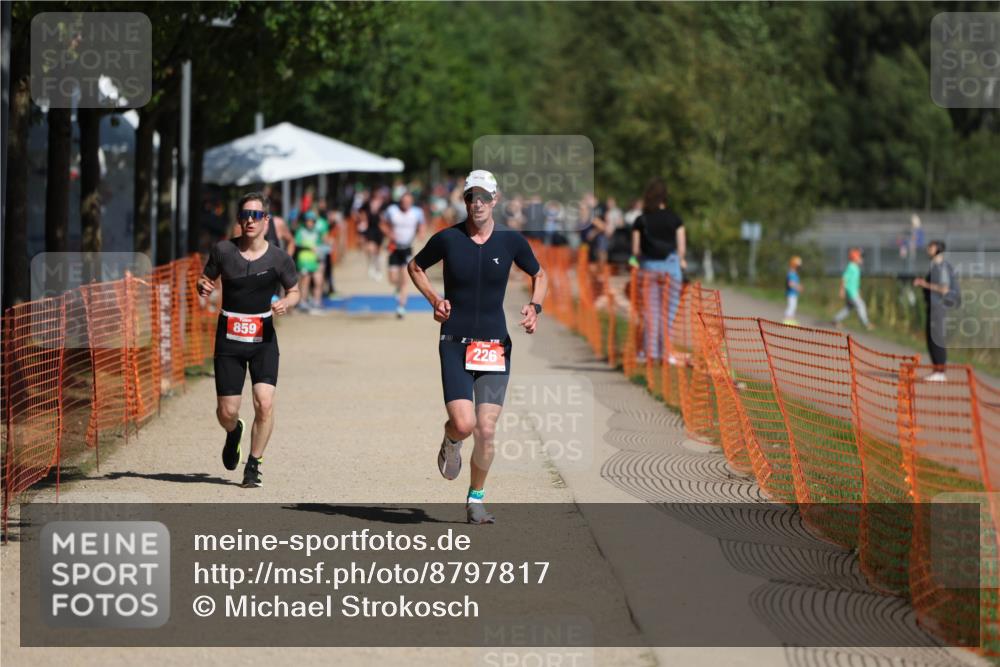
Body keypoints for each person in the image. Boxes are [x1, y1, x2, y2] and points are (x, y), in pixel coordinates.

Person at [407, 169, 548, 525]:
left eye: (484, 197)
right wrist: (434, 300)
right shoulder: (448, 239)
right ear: (465, 201)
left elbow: (539, 275)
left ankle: (476, 498)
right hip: (454, 343)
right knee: (464, 424)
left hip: (494, 345)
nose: (478, 203)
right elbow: (415, 266)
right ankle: (451, 439)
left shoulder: (511, 241)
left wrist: (535, 306)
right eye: (472, 197)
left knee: (486, 429)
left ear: (495, 200)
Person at [197, 192, 300, 488]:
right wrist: (202, 286)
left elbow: (294, 291)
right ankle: (234, 432)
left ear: (266, 220)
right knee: (227, 412)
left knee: (264, 403)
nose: (250, 221)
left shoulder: (279, 258)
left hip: (263, 339)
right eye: (245, 215)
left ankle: (254, 464)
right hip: (229, 339)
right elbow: (205, 279)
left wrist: (287, 302)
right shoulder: (223, 251)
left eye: (256, 215)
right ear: (239, 220)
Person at [630, 178, 686, 364]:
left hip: (649, 268)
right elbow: (681, 250)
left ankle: (650, 353)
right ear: (665, 197)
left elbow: (636, 250)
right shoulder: (675, 219)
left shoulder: (641, 220)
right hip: (671, 268)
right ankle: (666, 353)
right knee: (668, 314)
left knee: (650, 314)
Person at [913, 240, 958, 382]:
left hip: (938, 307)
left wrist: (924, 284)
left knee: (936, 338)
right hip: (933, 306)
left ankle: (940, 372)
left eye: (931, 247)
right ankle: (937, 370)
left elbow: (944, 289)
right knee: (931, 337)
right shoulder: (935, 266)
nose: (928, 249)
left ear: (938, 249)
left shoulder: (942, 267)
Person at [382, 192, 426, 318]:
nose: (405, 204)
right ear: (400, 202)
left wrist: (421, 232)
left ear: (411, 202)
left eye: (408, 202)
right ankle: (397, 286)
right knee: (392, 278)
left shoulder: (417, 212)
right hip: (394, 248)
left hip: (407, 248)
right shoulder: (392, 210)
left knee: (405, 279)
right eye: (403, 202)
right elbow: (382, 223)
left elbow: (422, 224)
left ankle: (401, 307)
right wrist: (389, 233)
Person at [833, 248, 874, 331]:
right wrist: (842, 290)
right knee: (861, 305)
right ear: (855, 258)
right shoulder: (851, 266)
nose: (862, 259)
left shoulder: (856, 267)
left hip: (853, 291)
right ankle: (866, 323)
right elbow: (844, 278)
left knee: (849, 307)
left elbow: (855, 281)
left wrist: (858, 290)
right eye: (860, 257)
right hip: (851, 292)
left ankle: (836, 319)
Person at [294, 212, 324, 312]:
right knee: (305, 281)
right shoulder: (301, 232)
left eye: (312, 221)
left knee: (318, 281)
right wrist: (308, 248)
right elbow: (297, 244)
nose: (310, 223)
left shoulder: (317, 233)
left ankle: (317, 301)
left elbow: (320, 245)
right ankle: (303, 301)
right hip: (304, 261)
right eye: (308, 221)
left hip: (315, 260)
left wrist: (321, 256)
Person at [360, 190, 387, 281]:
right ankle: (371, 266)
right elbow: (361, 214)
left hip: (380, 230)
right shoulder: (367, 204)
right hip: (370, 230)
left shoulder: (383, 205)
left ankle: (378, 269)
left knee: (378, 251)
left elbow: (386, 219)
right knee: (371, 249)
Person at [783, 256, 803, 325]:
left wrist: (798, 287)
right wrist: (798, 287)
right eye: (798, 266)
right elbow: (790, 284)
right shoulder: (791, 273)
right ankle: (786, 320)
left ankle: (791, 319)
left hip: (794, 294)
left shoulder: (794, 273)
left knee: (793, 306)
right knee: (791, 306)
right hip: (791, 293)